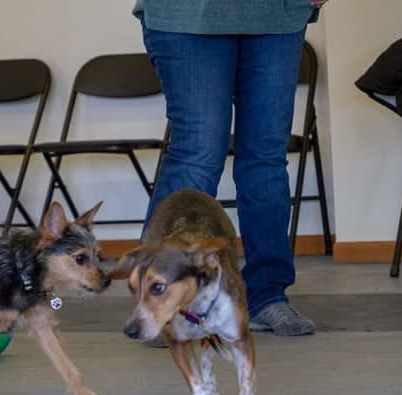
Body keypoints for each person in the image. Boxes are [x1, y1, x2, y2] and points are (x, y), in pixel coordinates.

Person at [135, 0, 328, 336]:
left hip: (276, 15)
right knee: (197, 154)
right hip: (186, 15)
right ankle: (162, 297)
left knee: (266, 158)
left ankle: (267, 296)